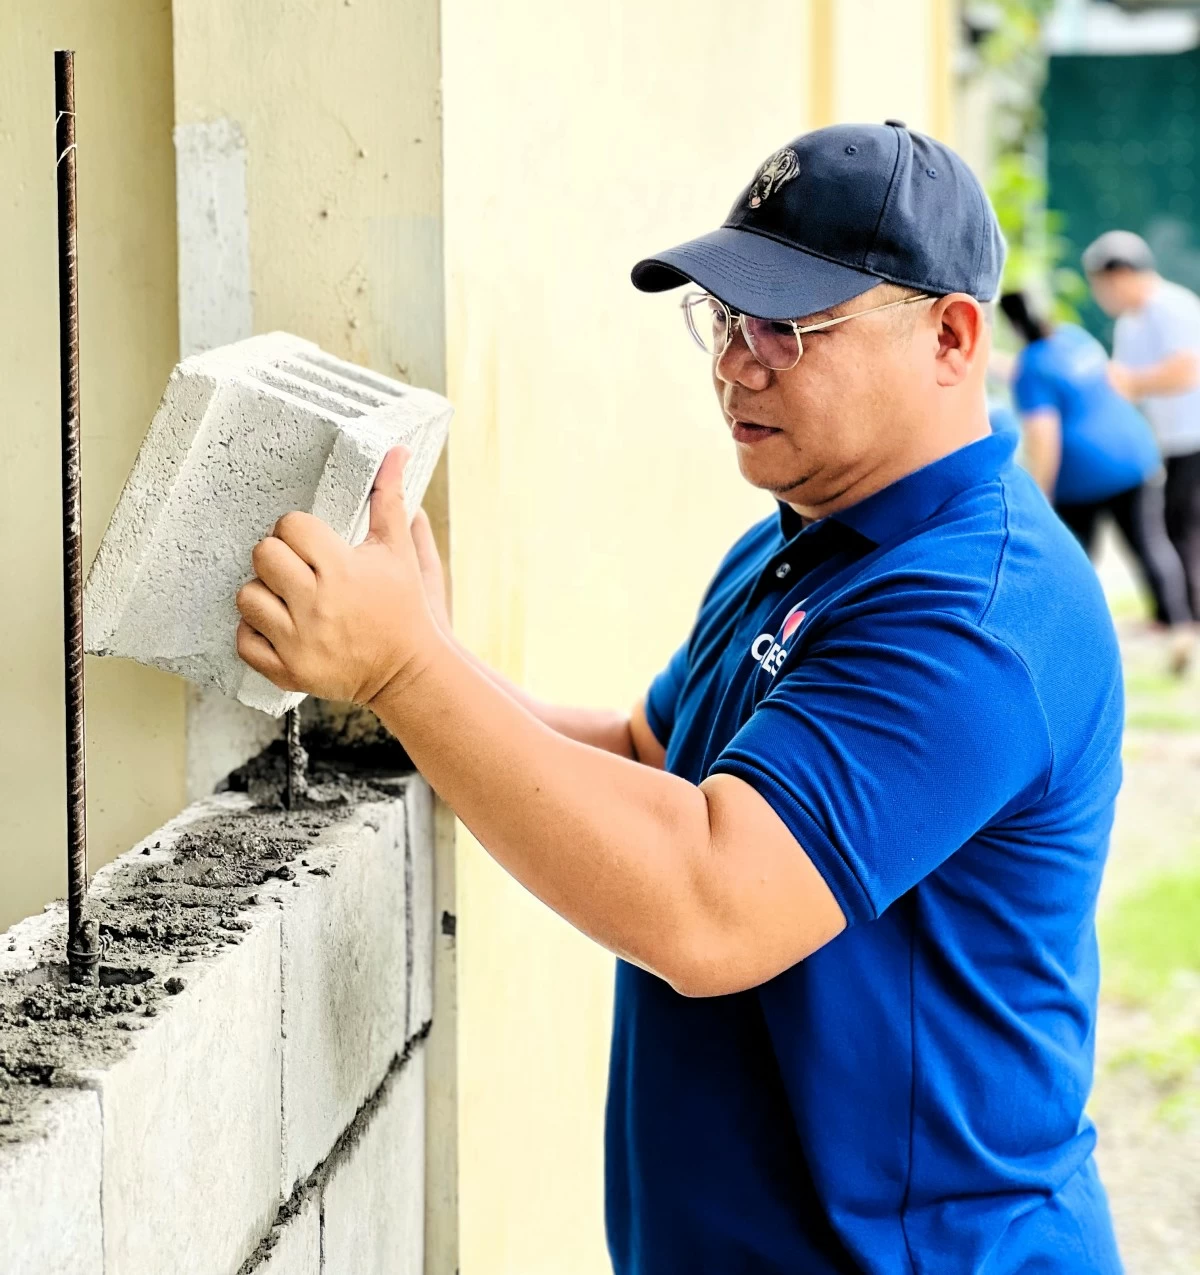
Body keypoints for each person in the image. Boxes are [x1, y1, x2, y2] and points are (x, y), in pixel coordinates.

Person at [236, 123, 1124, 1274]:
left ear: (951, 338)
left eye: (790, 328)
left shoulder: (976, 614)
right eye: (724, 317)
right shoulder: (802, 541)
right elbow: (649, 756)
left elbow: (709, 907)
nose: (737, 363)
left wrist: (408, 669)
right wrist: (423, 665)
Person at [1000, 289, 1193, 667]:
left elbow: (1044, 438)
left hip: (1083, 475)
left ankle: (1067, 640)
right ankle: (1180, 626)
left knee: (1073, 561)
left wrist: (1041, 495)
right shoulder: (1074, 337)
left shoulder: (1030, 368)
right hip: (1133, 455)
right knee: (1150, 544)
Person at [1084, 230, 1200, 620]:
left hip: (1194, 437)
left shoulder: (1172, 307)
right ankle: (1178, 617)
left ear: (1120, 276)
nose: (1102, 297)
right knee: (1173, 527)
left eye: (1101, 286)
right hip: (1168, 441)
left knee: (1182, 528)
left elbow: (1188, 371)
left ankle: (1186, 619)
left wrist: (1131, 381)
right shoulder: (1129, 323)